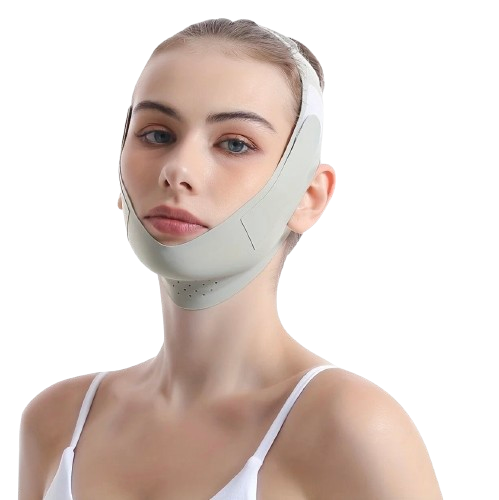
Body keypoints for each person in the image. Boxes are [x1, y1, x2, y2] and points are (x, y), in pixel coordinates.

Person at [18, 18, 443, 500]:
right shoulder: (56, 421)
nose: (177, 169)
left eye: (235, 143)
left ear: (309, 197)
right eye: (157, 134)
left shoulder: (352, 428)